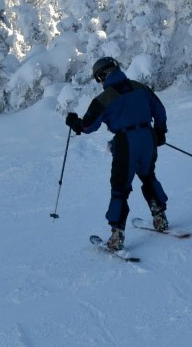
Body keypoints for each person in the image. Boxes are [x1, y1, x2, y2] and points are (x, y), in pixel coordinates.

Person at [65, 56, 169, 251]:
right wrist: (160, 132)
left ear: (103, 75)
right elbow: (159, 110)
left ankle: (117, 235)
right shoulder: (139, 87)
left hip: (125, 142)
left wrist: (74, 123)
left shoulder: (105, 98)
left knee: (120, 187)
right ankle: (160, 217)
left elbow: (87, 126)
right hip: (147, 137)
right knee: (148, 176)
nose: (100, 82)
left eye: (99, 79)